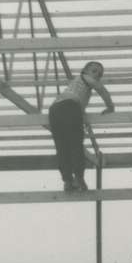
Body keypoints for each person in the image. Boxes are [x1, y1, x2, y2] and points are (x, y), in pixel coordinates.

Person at [48, 61, 114, 192]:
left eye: (100, 74)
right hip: (69, 107)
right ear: (84, 71)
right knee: (75, 144)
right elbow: (102, 90)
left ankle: (67, 180)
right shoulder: (85, 78)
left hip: (55, 110)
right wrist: (110, 106)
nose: (97, 76)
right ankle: (78, 178)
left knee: (62, 146)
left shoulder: (76, 86)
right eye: (94, 71)